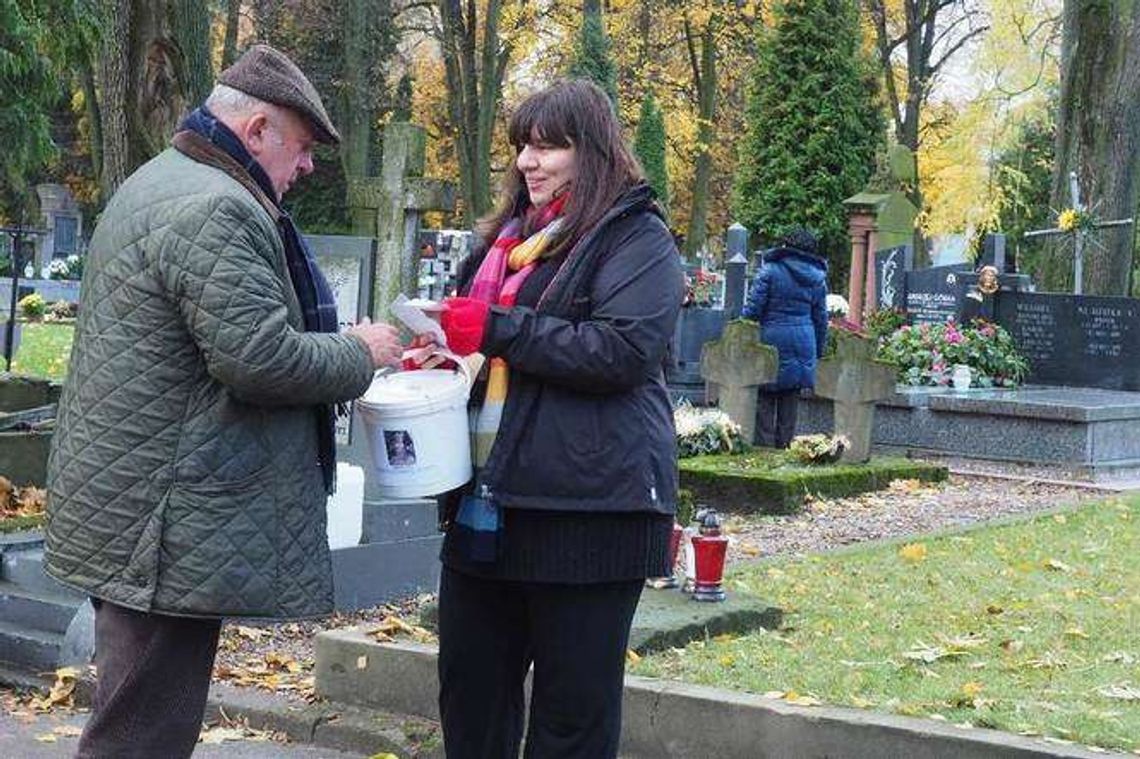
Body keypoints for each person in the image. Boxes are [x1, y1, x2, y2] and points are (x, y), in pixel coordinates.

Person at [43, 45, 403, 759]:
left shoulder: (164, 180)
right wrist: (361, 351)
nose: (305, 168)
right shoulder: (217, 206)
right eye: (301, 148)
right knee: (139, 736)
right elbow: (260, 358)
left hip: (139, 505)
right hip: (164, 525)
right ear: (259, 128)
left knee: (135, 715)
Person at [420, 79, 684, 758]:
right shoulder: (503, 245)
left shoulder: (636, 237)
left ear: (591, 152)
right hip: (489, 506)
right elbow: (483, 344)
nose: (527, 162)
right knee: (470, 699)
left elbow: (623, 350)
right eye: (520, 147)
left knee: (572, 720)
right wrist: (442, 354)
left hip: (589, 512)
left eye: (547, 146)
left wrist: (497, 328)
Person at [742, 227, 829, 448]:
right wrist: (818, 352)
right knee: (790, 405)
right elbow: (820, 319)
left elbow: (752, 312)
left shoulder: (769, 271)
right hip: (803, 341)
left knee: (764, 401)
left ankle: (763, 454)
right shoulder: (817, 278)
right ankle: (785, 453)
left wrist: (740, 338)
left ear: (785, 245)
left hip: (770, 340)